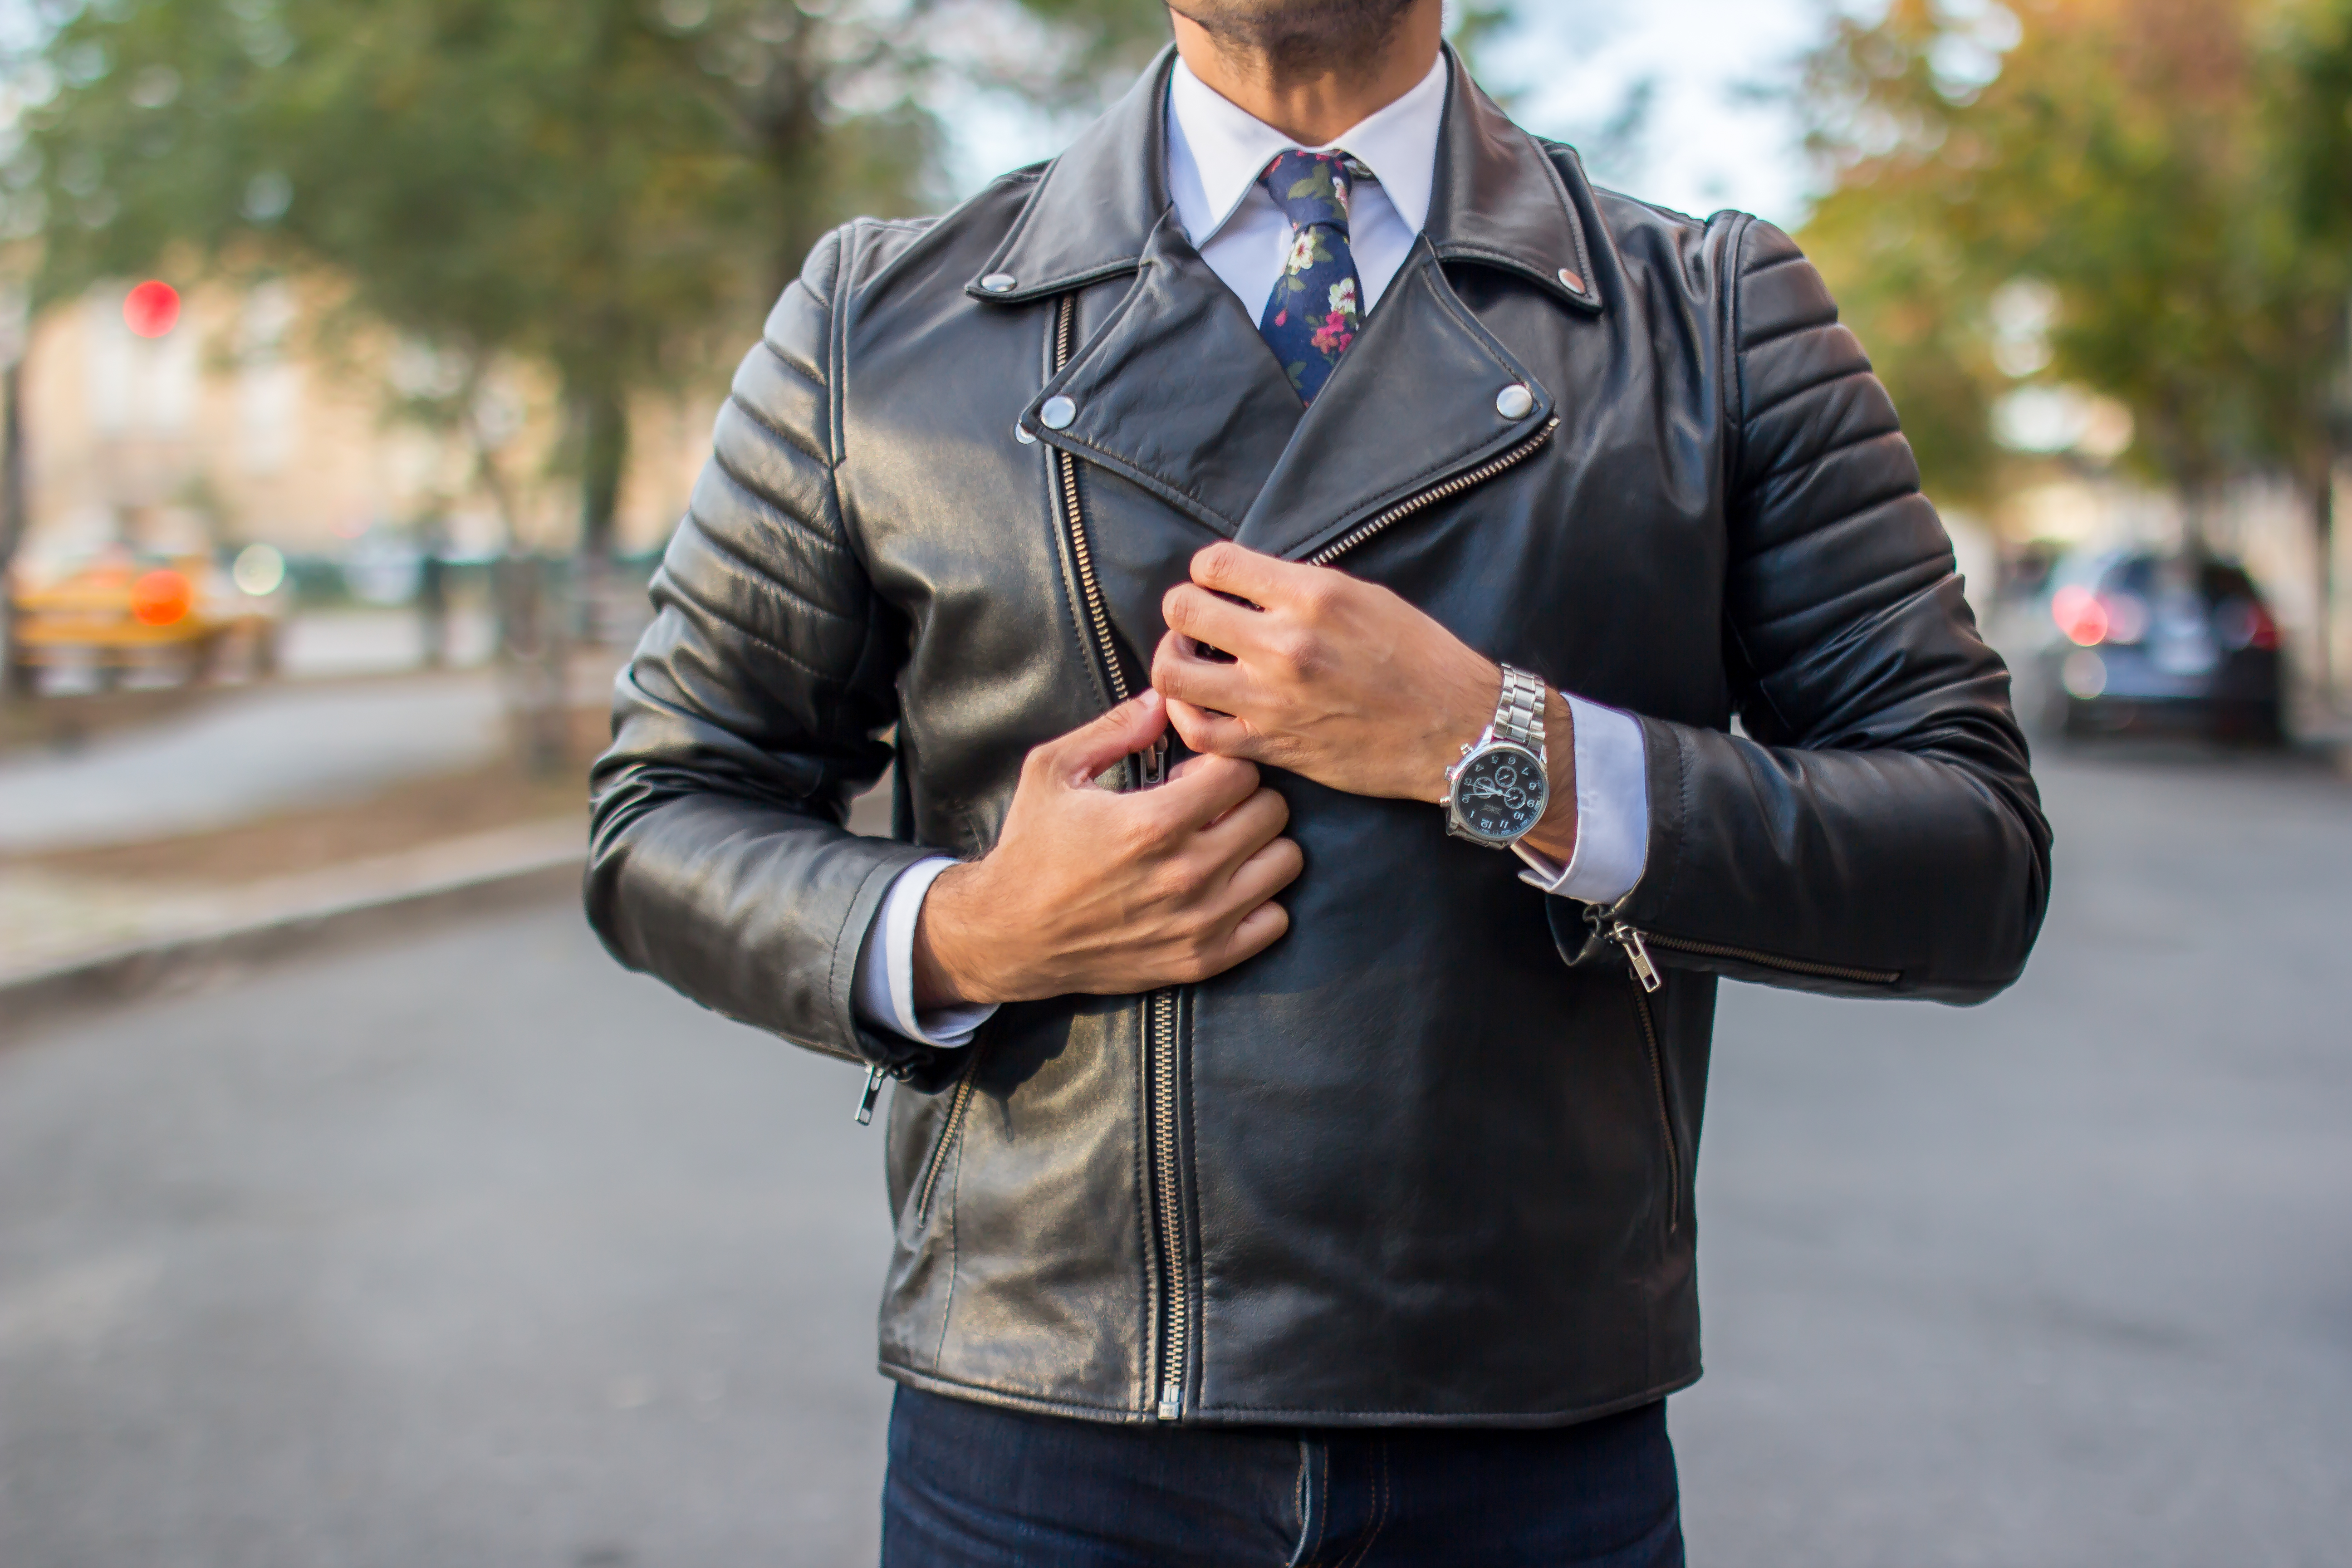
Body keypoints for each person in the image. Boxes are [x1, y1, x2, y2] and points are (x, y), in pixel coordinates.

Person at [586, 0, 2052, 1561]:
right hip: (1043, 1433)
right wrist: (969, 931)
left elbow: (1970, 860)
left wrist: (1500, 747)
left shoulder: (1714, 315)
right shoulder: (876, 320)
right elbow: (660, 820)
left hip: (1531, 1446)